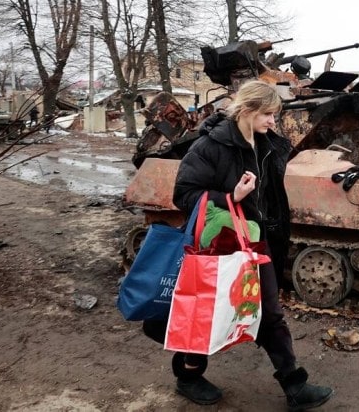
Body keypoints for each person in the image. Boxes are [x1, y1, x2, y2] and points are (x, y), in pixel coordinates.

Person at [143, 80, 334, 410]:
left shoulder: (268, 144)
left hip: (260, 243)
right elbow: (184, 194)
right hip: (223, 244)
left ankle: (295, 386)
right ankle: (188, 374)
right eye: (269, 114)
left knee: (270, 314)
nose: (274, 121)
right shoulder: (210, 147)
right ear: (248, 110)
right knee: (210, 311)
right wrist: (231, 197)